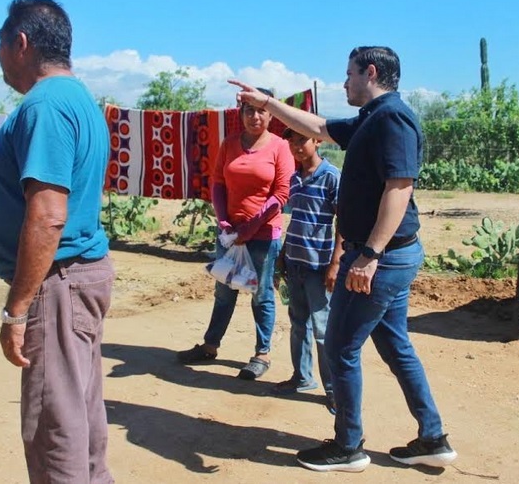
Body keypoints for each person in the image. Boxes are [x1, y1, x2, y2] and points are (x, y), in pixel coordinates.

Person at [230, 46, 457, 473]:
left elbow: (399, 187)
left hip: (381, 259)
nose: (344, 82)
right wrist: (268, 104)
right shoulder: (373, 119)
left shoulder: (393, 118)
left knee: (339, 347)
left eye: (349, 74)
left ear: (370, 72)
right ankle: (432, 437)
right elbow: (316, 124)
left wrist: (369, 254)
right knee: (394, 344)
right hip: (384, 256)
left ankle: (348, 445)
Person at [0, 0, 114, 483]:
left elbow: (49, 215)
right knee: (79, 416)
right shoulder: (77, 100)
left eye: (0, 44)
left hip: (59, 283)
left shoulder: (46, 106)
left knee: (54, 426)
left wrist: (17, 310)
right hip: (74, 279)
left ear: (21, 43)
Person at [178, 88, 294, 381]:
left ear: (271, 114)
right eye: (248, 110)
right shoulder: (229, 144)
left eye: (261, 110)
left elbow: (281, 194)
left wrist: (250, 227)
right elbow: (217, 183)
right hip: (229, 234)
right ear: (240, 113)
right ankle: (210, 345)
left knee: (262, 294)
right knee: (224, 290)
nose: (255, 116)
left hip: (263, 235)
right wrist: (225, 223)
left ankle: (262, 354)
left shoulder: (280, 147)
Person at [272, 128, 342, 415]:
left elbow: (345, 223)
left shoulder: (331, 176)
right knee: (298, 323)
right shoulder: (295, 178)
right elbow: (297, 221)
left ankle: (335, 392)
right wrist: (283, 257)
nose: (296, 146)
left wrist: (336, 263)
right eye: (292, 141)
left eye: (302, 140)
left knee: (324, 330)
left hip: (320, 266)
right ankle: (302, 378)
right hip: (296, 262)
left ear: (318, 141)